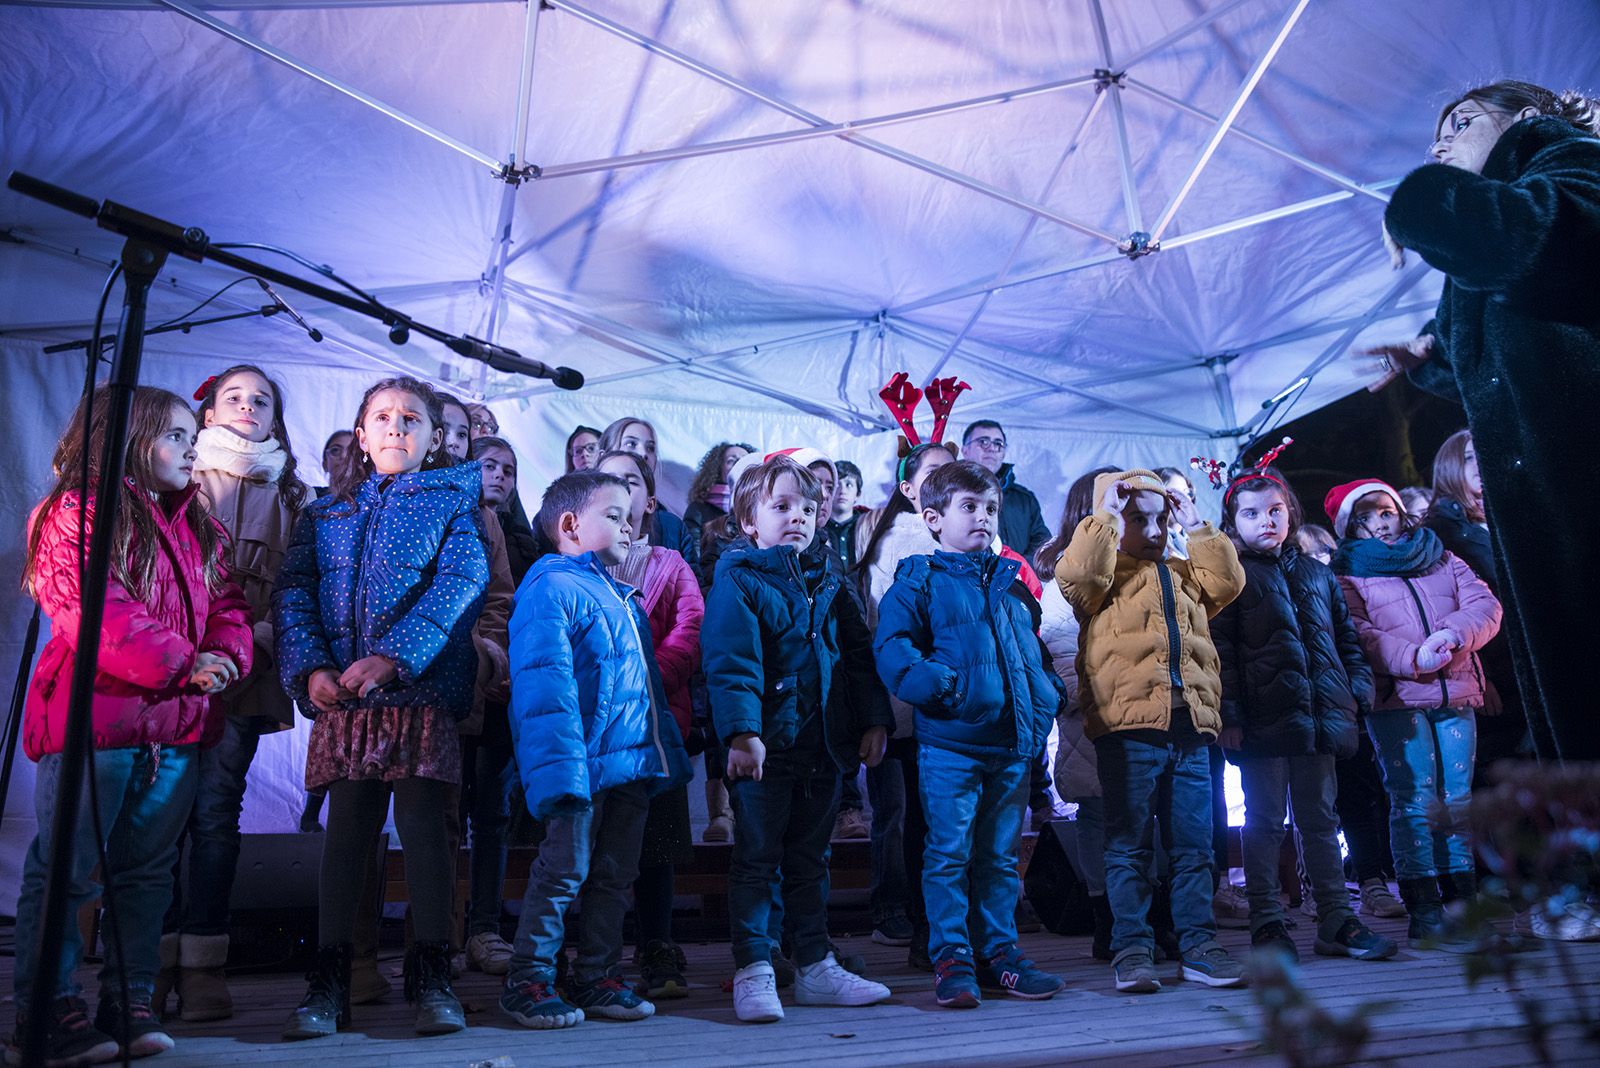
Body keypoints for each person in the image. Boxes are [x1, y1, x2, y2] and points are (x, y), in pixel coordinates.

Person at [9, 385, 252, 1066]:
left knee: (146, 874)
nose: (190, 448)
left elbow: (228, 600)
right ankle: (46, 1010)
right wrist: (188, 665)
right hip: (99, 724)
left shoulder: (198, 524)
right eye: (175, 434)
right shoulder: (74, 513)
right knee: (68, 871)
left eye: (190, 436)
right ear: (131, 437)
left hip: (173, 728)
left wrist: (225, 658)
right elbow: (97, 610)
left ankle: (129, 998)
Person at [1363, 79, 1600, 763]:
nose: (1440, 142)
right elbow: (1496, 369)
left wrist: (1420, 203)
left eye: (1462, 122)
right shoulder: (1482, 249)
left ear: (1525, 118)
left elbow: (1536, 241)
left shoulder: (1570, 159)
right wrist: (1425, 362)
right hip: (1545, 514)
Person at [274, 376, 489, 1040]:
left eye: (412, 419)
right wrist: (310, 666)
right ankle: (330, 979)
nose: (397, 427)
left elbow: (463, 580)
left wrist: (396, 656)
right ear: (362, 436)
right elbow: (294, 592)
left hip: (417, 698)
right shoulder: (325, 514)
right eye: (383, 417)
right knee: (347, 837)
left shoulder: (453, 504)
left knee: (427, 835)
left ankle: (432, 976)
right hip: (346, 701)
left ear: (433, 438)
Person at [703, 455, 894, 1023]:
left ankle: (813, 964)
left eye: (808, 508)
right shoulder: (738, 580)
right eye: (781, 506)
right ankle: (755, 968)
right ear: (748, 519)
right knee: (758, 858)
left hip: (824, 745)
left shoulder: (832, 580)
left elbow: (859, 657)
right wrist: (742, 732)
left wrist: (873, 719)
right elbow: (731, 660)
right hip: (766, 750)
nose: (798, 518)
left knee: (812, 859)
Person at [499, 470, 691, 1029]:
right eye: (614, 516)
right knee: (564, 870)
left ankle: (598, 974)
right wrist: (560, 774)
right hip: (581, 768)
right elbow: (544, 687)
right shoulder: (550, 586)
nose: (629, 528)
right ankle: (529, 979)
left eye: (632, 517)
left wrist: (660, 755)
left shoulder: (619, 594)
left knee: (614, 873)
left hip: (629, 765)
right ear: (569, 525)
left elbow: (646, 690)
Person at [875, 461, 1065, 1008]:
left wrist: (1047, 693)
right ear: (933, 518)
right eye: (969, 507)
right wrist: (941, 686)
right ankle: (952, 959)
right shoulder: (919, 578)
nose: (982, 517)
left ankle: (1000, 956)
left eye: (989, 508)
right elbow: (893, 649)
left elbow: (1031, 650)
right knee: (949, 855)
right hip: (951, 747)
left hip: (1010, 746)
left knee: (1000, 858)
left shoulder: (1011, 582)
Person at [1057, 469, 1248, 994]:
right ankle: (1132, 948)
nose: (1154, 529)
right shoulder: (1103, 575)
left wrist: (1199, 526)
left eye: (1159, 518)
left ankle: (1198, 945)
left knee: (1194, 848)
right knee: (1128, 846)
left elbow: (1228, 583)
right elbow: (1076, 577)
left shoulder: (1185, 572)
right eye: (1138, 519)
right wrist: (1107, 518)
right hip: (1130, 730)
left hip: (1190, 728)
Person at [159, 366, 308, 1023]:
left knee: (217, 813)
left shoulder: (294, 497)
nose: (248, 406)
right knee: (159, 815)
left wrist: (263, 641)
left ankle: (200, 968)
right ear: (211, 413)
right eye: (234, 397)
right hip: (170, 670)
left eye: (261, 399)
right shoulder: (179, 481)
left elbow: (298, 586)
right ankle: (144, 966)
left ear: (275, 417)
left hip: (248, 675)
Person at [1211, 469, 1396, 963]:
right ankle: (1268, 920)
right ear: (1233, 521)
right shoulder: (1231, 578)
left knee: (1320, 819)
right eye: (1251, 513)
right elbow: (1221, 652)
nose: (1266, 521)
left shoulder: (1317, 574)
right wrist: (1230, 715)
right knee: (1265, 821)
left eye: (1274, 509)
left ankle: (1337, 917)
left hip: (1320, 716)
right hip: (1263, 720)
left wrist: (1354, 692)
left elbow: (1345, 639)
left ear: (1290, 510)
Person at [1325, 479, 1501, 950]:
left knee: (1457, 796)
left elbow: (1484, 604)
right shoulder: (1347, 574)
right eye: (1365, 517)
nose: (1379, 523)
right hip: (1397, 699)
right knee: (1413, 796)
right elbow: (1360, 633)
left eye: (1385, 511)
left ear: (1400, 512)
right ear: (1350, 528)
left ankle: (1463, 898)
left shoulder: (1441, 557)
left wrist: (1449, 636)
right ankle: (1424, 907)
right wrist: (1414, 656)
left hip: (1456, 689)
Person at [595, 450, 706, 998]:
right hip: (595, 734)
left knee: (657, 846)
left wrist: (642, 680)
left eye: (631, 482)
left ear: (650, 500)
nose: (622, 491)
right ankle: (598, 954)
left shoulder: (669, 564)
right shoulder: (575, 567)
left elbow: (690, 629)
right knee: (600, 847)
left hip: (658, 727)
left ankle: (658, 944)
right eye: (608, 481)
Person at [1034, 466, 1117, 959]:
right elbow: (1060, 646)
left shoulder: (1149, 560)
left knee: (1147, 819)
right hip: (1093, 712)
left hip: (1147, 716)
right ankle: (1104, 914)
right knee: (1097, 814)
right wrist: (1090, 693)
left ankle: (1152, 913)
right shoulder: (1066, 568)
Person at [599, 416, 700, 572]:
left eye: (650, 448)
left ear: (650, 504)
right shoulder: (578, 522)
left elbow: (693, 587)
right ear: (603, 455)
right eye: (631, 444)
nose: (643, 453)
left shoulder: (672, 527)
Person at [959, 419, 1050, 565]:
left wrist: (1018, 567)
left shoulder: (1024, 499)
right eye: (983, 441)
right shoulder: (952, 494)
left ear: (1004, 452)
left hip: (1019, 581)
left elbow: (1042, 541)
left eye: (998, 443)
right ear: (965, 451)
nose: (991, 448)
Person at [682, 440, 754, 537]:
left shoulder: (761, 506)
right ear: (718, 470)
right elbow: (692, 550)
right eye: (731, 460)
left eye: (744, 460)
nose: (739, 464)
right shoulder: (698, 509)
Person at [824, 459, 869, 571]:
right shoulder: (817, 527)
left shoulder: (870, 527)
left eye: (849, 485)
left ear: (858, 494)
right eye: (837, 485)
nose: (842, 490)